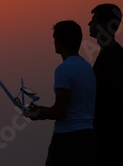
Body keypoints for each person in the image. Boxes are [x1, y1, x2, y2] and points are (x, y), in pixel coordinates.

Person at [25, 20, 96, 166]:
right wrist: (42, 110)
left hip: (67, 139)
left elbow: (60, 111)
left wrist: (37, 113)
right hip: (88, 137)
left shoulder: (64, 69)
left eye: (55, 39)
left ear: (60, 41)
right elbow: (73, 106)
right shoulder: (87, 68)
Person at [88, 4, 123, 166]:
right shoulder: (109, 54)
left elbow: (114, 101)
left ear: (104, 25)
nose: (89, 24)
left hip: (113, 142)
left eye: (93, 21)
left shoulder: (113, 56)